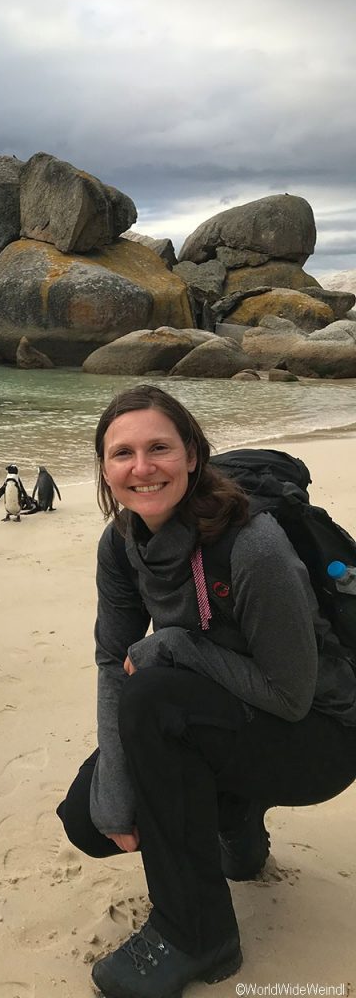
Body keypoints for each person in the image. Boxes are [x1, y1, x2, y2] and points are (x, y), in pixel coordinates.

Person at [57, 385, 356, 998]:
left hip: (322, 737)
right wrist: (114, 792)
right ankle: (235, 826)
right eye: (122, 454)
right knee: (89, 820)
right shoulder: (121, 544)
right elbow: (112, 659)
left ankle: (198, 934)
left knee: (157, 699)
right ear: (105, 469)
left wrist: (177, 646)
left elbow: (290, 695)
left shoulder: (254, 546)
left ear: (193, 455)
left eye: (159, 447)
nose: (142, 468)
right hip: (231, 719)